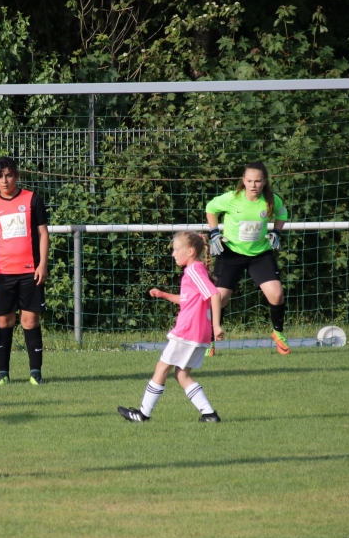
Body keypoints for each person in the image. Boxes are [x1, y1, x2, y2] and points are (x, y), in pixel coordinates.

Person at [118, 232, 223, 423]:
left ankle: (142, 414)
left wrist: (216, 325)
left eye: (176, 250)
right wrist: (163, 294)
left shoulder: (193, 270)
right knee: (182, 375)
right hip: (199, 333)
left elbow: (214, 294)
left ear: (190, 251)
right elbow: (187, 300)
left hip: (188, 331)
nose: (173, 254)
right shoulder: (197, 269)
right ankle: (209, 415)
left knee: (162, 367)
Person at [205, 161, 291, 354]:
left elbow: (282, 213)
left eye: (258, 181)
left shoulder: (271, 200)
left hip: (260, 254)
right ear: (243, 180)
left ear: (264, 181)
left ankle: (278, 333)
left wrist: (276, 232)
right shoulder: (231, 198)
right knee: (219, 298)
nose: (253, 185)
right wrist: (214, 233)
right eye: (250, 180)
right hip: (231, 253)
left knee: (276, 295)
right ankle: (209, 340)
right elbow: (210, 208)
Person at [0, 156, 49, 385]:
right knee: (4, 322)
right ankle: (3, 374)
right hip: (2, 273)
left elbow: (43, 233)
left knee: (30, 321)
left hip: (30, 271)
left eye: (9, 175)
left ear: (17, 176)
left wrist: (42, 264)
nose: (5, 180)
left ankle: (35, 373)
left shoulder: (32, 199)